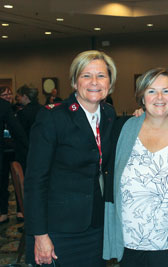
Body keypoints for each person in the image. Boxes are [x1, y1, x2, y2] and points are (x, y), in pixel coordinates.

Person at [24, 50, 117, 266]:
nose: (94, 82)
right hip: (58, 230)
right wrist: (40, 235)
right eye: (86, 75)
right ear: (75, 82)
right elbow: (35, 181)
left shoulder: (109, 114)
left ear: (110, 83)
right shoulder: (53, 117)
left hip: (95, 225)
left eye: (101, 76)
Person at [103, 68, 168, 267]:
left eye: (166, 91)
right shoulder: (122, 130)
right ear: (141, 97)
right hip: (131, 244)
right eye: (151, 91)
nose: (159, 97)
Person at [0, 86, 26, 223]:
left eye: (10, 94)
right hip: (3, 150)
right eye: (4, 94)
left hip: (15, 149)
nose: (8, 96)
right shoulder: (4, 108)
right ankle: (3, 211)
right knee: (3, 182)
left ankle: (20, 210)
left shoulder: (17, 109)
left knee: (18, 179)